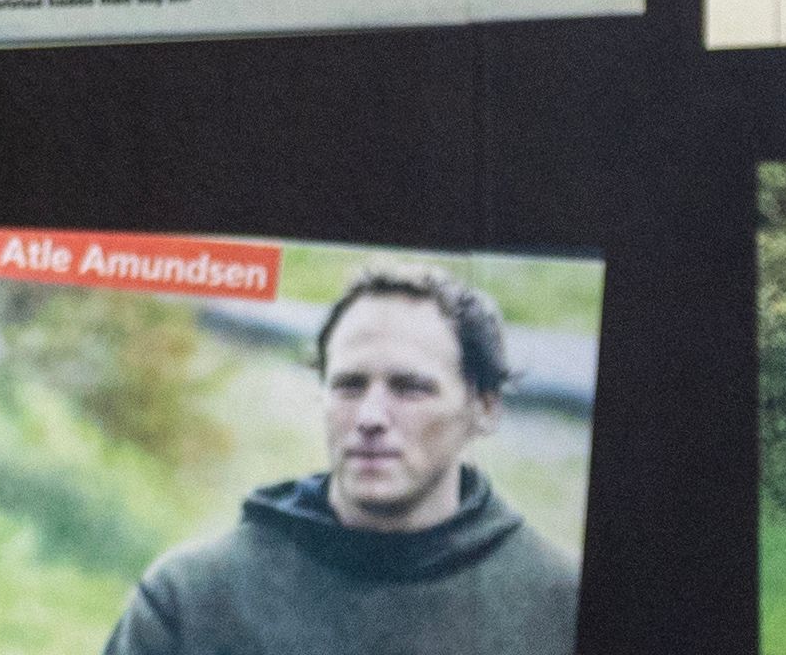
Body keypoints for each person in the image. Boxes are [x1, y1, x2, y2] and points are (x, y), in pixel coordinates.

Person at [104, 267, 574, 655]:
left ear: (484, 407)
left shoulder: (561, 605)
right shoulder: (192, 600)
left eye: (409, 388)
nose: (370, 417)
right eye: (349, 385)